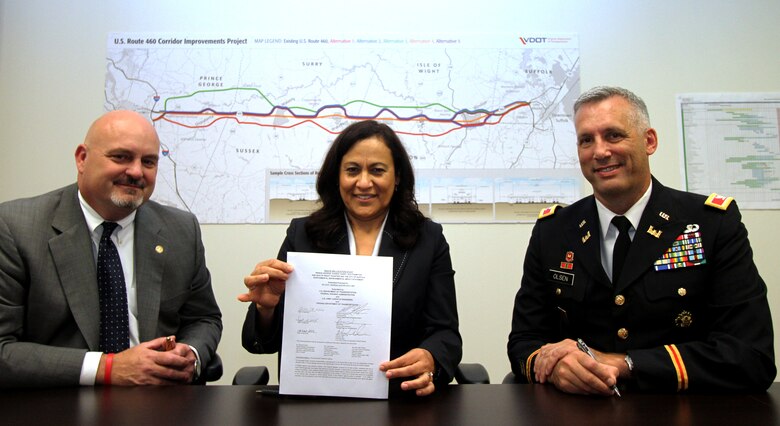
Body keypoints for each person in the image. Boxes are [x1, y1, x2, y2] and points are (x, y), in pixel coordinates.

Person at [507, 86, 775, 394]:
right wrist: (554, 365)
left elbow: (751, 355)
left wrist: (625, 364)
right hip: (580, 410)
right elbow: (524, 341)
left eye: (614, 135)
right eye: (586, 140)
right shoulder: (553, 231)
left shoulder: (711, 224)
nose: (600, 151)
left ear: (649, 141)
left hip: (680, 407)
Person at [238, 120, 461, 396]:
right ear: (337, 176)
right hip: (313, 403)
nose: (364, 183)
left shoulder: (428, 239)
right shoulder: (303, 235)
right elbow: (260, 343)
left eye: (377, 170)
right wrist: (266, 309)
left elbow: (446, 334)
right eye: (352, 170)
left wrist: (431, 359)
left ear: (398, 176)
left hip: (399, 401)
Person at [0, 110, 222, 388]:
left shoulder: (181, 229)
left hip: (159, 401)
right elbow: (4, 349)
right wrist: (107, 368)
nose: (137, 172)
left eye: (149, 162)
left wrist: (190, 354)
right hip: (59, 401)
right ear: (82, 158)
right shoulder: (15, 227)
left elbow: (204, 318)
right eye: (121, 157)